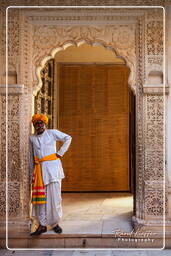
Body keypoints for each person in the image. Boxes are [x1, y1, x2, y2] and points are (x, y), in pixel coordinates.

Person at [29, 114, 72, 236]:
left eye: (41, 123)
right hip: (39, 172)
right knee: (41, 200)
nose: (39, 126)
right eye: (36, 124)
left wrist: (60, 153)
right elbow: (32, 157)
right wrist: (31, 173)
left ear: (45, 124)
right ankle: (42, 225)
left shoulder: (52, 133)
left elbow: (68, 138)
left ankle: (55, 224)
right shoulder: (32, 138)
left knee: (55, 198)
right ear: (34, 126)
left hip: (53, 171)